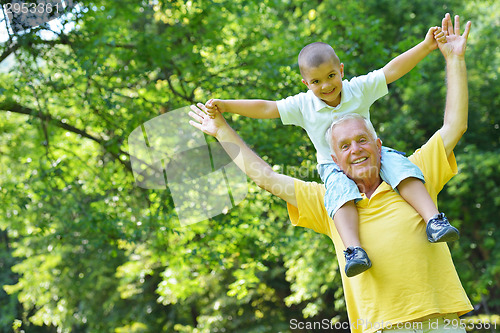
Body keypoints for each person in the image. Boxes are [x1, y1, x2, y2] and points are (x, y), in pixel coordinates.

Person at [189, 13, 473, 333]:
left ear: (378, 145)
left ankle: (435, 219)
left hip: (440, 323)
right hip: (379, 327)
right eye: (345, 146)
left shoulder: (411, 173)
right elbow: (265, 175)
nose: (355, 149)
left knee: (405, 173)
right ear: (335, 158)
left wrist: (451, 58)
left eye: (362, 141)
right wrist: (222, 125)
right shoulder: (329, 201)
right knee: (339, 197)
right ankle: (355, 250)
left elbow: (453, 124)